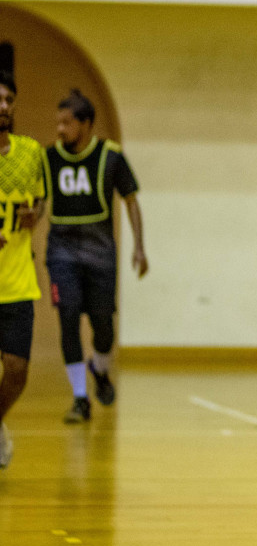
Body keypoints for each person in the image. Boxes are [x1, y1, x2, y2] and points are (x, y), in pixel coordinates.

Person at [45, 90, 147, 424]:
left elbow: (131, 200)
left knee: (104, 327)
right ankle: (79, 398)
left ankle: (99, 369)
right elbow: (35, 201)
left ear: (86, 124)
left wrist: (139, 247)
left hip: (100, 253)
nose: (60, 129)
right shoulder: (49, 158)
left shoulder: (110, 156)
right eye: (58, 122)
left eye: (67, 122)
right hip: (62, 252)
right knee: (68, 318)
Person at [0, 72, 48, 469]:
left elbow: (40, 200)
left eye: (9, 100)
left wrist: (36, 216)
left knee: (17, 372)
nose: (4, 106)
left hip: (16, 280)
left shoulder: (31, 152)